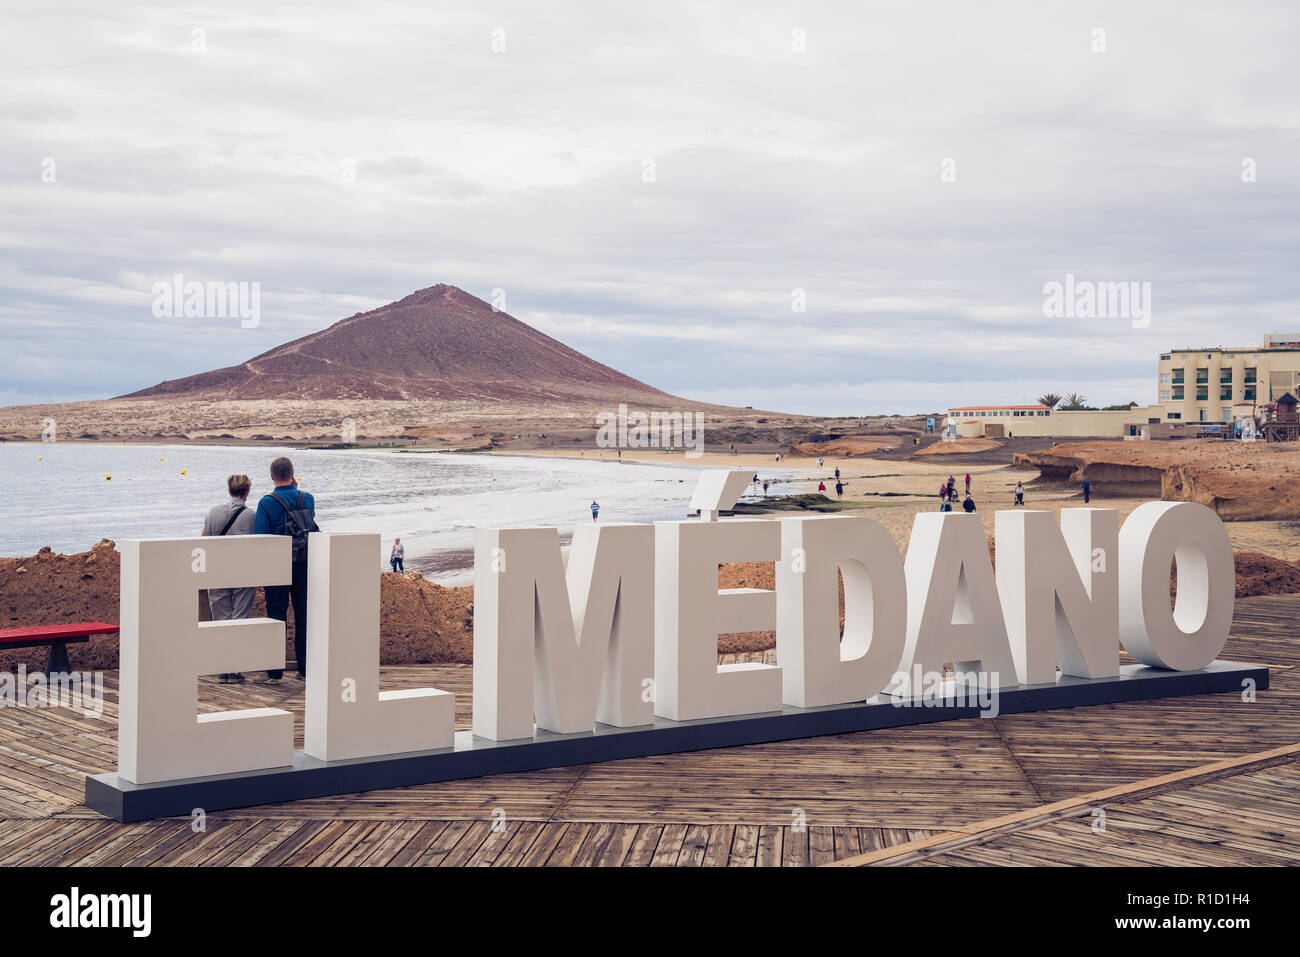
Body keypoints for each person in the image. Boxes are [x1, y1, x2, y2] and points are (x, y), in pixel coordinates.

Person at [255, 457, 317, 684]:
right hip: (303, 564)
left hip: (277, 567)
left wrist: (260, 573)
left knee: (276, 617)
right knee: (303, 615)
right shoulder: (307, 498)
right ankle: (305, 668)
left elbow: (260, 539)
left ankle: (273, 672)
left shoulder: (266, 503)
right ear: (293, 475)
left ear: (272, 476)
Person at [202, 474, 255, 684]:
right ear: (247, 491)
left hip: (216, 571)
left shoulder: (213, 512)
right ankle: (234, 669)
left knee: (221, 620)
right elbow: (256, 548)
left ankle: (223, 669)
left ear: (229, 489)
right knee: (239, 618)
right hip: (242, 572)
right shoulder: (251, 515)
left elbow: (204, 539)